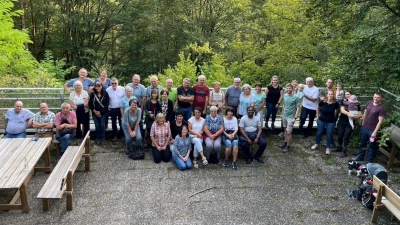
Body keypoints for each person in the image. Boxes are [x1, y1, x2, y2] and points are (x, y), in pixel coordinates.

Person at [352, 93, 386, 163]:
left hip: (372, 131)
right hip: (365, 128)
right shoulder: (369, 103)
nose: (376, 99)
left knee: (372, 146)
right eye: (375, 97)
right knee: (362, 143)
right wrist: (363, 123)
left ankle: (369, 161)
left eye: (378, 97)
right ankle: (360, 157)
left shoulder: (381, 108)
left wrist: (375, 132)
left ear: (381, 98)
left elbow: (380, 122)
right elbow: (365, 113)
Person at [333, 91, 362, 158]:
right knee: (340, 135)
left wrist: (354, 117)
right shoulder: (343, 102)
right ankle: (339, 147)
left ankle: (344, 150)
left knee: (346, 136)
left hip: (350, 123)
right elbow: (342, 110)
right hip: (342, 121)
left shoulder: (356, 103)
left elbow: (360, 114)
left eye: (348, 94)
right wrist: (349, 114)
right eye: (345, 94)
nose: (347, 95)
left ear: (351, 95)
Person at [310, 90, 339, 154]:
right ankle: (316, 144)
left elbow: (337, 110)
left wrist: (334, 116)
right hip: (321, 120)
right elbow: (317, 108)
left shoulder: (336, 103)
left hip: (331, 121)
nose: (330, 95)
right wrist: (317, 116)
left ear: (333, 95)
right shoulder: (323, 102)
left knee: (329, 134)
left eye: (332, 94)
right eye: (329, 94)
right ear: (327, 95)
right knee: (319, 133)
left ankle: (328, 148)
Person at [279, 84, 300, 153]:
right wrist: (282, 114)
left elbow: (298, 108)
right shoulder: (285, 96)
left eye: (289, 88)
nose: (288, 90)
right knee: (285, 130)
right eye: (287, 88)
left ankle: (288, 146)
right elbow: (284, 105)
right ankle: (285, 142)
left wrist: (295, 118)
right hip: (285, 115)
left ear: (292, 88)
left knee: (288, 132)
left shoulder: (296, 97)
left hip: (291, 117)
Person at [69, 80, 89, 144]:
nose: (78, 87)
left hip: (85, 111)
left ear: (82, 86)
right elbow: (71, 104)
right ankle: (78, 137)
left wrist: (77, 107)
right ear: (74, 86)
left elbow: (86, 103)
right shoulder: (72, 94)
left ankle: (85, 137)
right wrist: (77, 107)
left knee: (85, 124)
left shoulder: (85, 93)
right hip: (75, 112)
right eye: (77, 85)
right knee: (77, 124)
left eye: (79, 85)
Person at [106, 78, 125, 142]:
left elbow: (125, 98)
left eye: (115, 83)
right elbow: (106, 99)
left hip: (120, 109)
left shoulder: (122, 89)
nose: (114, 84)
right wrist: (108, 106)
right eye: (112, 83)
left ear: (118, 83)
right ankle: (115, 135)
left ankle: (121, 135)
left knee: (121, 122)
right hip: (112, 109)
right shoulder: (107, 90)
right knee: (113, 123)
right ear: (110, 83)